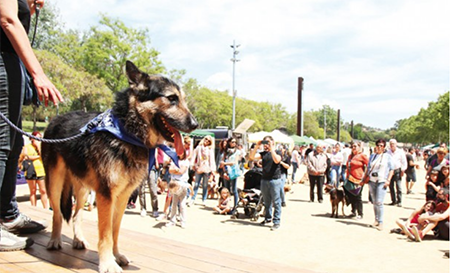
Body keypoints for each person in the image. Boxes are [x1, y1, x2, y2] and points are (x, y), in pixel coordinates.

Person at [0, 0, 64, 252]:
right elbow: (7, 19)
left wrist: (29, 6)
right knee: (2, 144)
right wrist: (38, 74)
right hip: (3, 62)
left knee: (14, 144)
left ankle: (7, 214)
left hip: (11, 62)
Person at [248, 136, 283, 231]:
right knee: (266, 202)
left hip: (275, 180)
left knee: (276, 201)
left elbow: (277, 160)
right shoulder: (263, 154)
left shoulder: (278, 152)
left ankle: (276, 221)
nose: (266, 145)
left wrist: (272, 148)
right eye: (265, 143)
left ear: (273, 142)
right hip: (264, 179)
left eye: (268, 143)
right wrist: (257, 146)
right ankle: (267, 218)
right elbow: (251, 157)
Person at [365, 139, 394, 231]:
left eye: (382, 145)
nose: (379, 147)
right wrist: (365, 178)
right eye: (378, 145)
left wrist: (388, 180)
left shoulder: (387, 157)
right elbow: (368, 167)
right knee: (374, 201)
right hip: (372, 180)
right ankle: (376, 219)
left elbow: (391, 169)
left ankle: (381, 221)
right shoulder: (372, 156)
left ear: (384, 147)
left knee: (379, 201)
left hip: (382, 180)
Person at [20, 131, 48, 209]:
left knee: (43, 190)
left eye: (40, 138)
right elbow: (26, 156)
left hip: (40, 171)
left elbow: (44, 156)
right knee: (33, 191)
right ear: (32, 138)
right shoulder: (27, 147)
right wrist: (37, 157)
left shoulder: (41, 147)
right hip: (30, 170)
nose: (38, 140)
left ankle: (45, 208)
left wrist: (38, 147)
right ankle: (33, 207)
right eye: (37, 138)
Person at [344, 142, 369, 219]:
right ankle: (353, 211)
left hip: (359, 179)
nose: (353, 147)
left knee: (358, 196)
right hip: (350, 178)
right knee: (351, 195)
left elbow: (369, 165)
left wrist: (365, 177)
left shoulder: (362, 156)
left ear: (359, 147)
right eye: (352, 146)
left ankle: (360, 213)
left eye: (355, 146)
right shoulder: (350, 156)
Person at [190, 135, 215, 206]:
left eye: (208, 141)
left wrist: (212, 169)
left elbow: (211, 160)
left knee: (205, 184)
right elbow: (194, 156)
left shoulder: (210, 150)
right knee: (196, 184)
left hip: (207, 168)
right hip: (199, 167)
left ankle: (204, 199)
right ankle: (192, 199)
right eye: (206, 139)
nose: (206, 141)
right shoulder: (198, 148)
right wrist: (193, 165)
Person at [221, 137, 240, 210]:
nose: (234, 143)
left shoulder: (237, 151)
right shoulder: (225, 152)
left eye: (235, 142)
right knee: (227, 190)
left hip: (234, 172)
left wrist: (225, 163)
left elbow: (234, 162)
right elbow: (222, 162)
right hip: (226, 172)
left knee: (234, 190)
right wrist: (225, 172)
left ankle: (235, 206)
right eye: (232, 142)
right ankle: (227, 206)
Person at [386, 139, 407, 207]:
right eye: (391, 143)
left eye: (393, 143)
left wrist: (403, 170)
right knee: (391, 186)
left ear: (396, 144)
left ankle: (399, 201)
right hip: (389, 171)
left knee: (398, 186)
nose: (392, 145)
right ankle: (393, 200)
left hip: (397, 170)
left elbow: (404, 162)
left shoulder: (400, 152)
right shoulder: (387, 152)